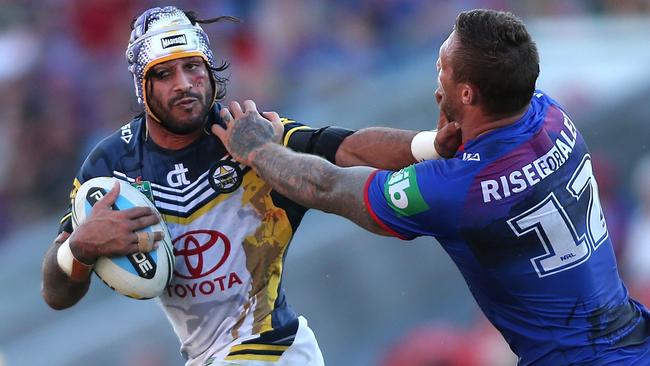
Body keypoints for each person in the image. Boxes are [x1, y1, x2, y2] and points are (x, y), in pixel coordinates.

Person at [213, 9, 650, 366]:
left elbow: (327, 187)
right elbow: (470, 152)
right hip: (632, 338)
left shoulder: (457, 191)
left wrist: (259, 150)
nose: (434, 73)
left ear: (466, 93)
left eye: (442, 66)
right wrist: (428, 145)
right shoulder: (549, 115)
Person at [39, 6, 460, 366]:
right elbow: (55, 294)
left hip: (276, 349)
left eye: (193, 67)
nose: (184, 83)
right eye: (164, 74)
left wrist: (429, 146)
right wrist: (78, 249)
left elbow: (346, 147)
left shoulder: (247, 132)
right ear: (142, 87)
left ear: (209, 69)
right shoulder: (110, 166)